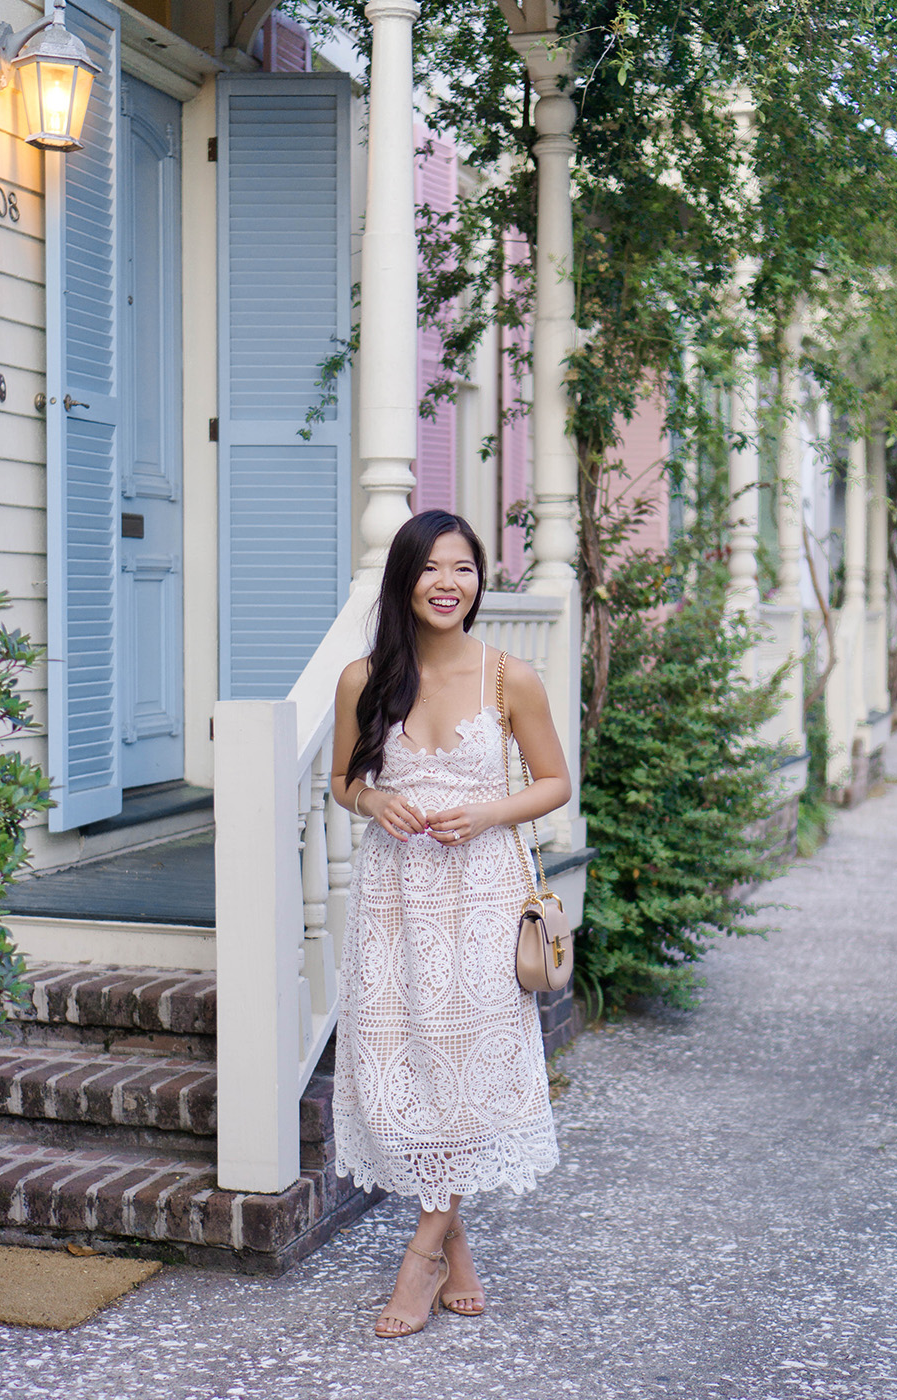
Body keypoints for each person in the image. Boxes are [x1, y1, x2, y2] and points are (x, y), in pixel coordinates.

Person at [330, 510, 572, 1339]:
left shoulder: (511, 677)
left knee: (471, 1066)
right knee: (402, 1068)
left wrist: (488, 811)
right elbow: (341, 781)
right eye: (430, 567)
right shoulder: (364, 677)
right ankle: (458, 1242)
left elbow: (553, 783)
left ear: (479, 582)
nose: (447, 583)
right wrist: (376, 797)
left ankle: (424, 1252)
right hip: (394, 900)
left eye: (463, 568)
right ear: (404, 578)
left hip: (479, 896)